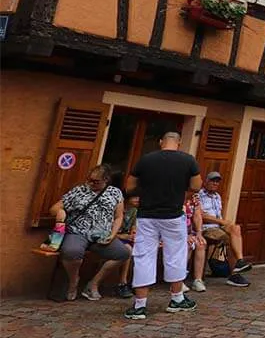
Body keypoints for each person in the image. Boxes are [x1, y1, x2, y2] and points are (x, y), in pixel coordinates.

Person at [124, 132, 202, 319]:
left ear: (161, 142)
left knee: (144, 256)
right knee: (176, 255)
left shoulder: (146, 160)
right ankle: (177, 299)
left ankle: (140, 305)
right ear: (179, 143)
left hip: (147, 215)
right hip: (173, 215)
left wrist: (145, 190)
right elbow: (196, 186)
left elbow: (129, 187)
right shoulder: (188, 160)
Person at [49, 164, 130, 302]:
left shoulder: (115, 193)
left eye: (96, 181)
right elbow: (54, 208)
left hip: (102, 234)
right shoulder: (79, 190)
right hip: (78, 231)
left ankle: (93, 283)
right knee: (71, 252)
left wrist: (113, 234)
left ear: (106, 179)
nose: (91, 183)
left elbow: (118, 216)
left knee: (123, 253)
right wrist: (60, 212)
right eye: (90, 180)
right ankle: (74, 281)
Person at [198, 171, 252, 286]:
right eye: (212, 180)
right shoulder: (199, 195)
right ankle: (235, 274)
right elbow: (201, 215)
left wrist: (225, 224)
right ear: (206, 181)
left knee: (235, 229)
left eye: (217, 181)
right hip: (206, 228)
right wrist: (222, 222)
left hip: (218, 227)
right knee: (231, 239)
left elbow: (219, 215)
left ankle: (240, 262)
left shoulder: (217, 196)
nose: (215, 183)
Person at [114, 190, 139, 298]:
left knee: (141, 249)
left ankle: (137, 282)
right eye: (135, 197)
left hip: (127, 238)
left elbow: (134, 226)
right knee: (128, 249)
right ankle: (122, 282)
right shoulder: (116, 209)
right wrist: (122, 236)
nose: (138, 200)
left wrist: (134, 232)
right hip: (115, 238)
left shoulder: (134, 210)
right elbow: (106, 231)